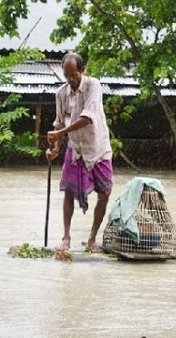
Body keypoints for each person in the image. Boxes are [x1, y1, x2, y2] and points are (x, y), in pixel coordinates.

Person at [46, 52, 113, 253]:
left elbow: (88, 117)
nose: (70, 79)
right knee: (68, 191)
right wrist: (55, 148)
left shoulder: (93, 85)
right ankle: (66, 238)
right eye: (66, 75)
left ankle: (92, 239)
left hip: (97, 147)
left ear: (82, 70)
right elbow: (59, 122)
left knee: (105, 193)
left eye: (73, 75)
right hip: (76, 149)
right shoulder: (61, 93)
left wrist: (61, 133)